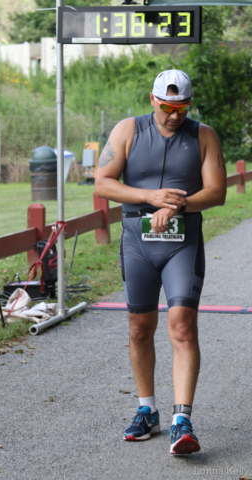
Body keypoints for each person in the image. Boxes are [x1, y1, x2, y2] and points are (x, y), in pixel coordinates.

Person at [95, 69, 226, 455]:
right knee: (140, 328)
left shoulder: (203, 135)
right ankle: (146, 410)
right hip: (138, 241)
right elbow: (102, 182)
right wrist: (152, 197)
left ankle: (181, 419)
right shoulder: (127, 130)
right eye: (167, 107)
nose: (174, 115)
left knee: (182, 325)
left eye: (182, 107)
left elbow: (217, 192)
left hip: (182, 243)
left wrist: (178, 204)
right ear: (153, 99)